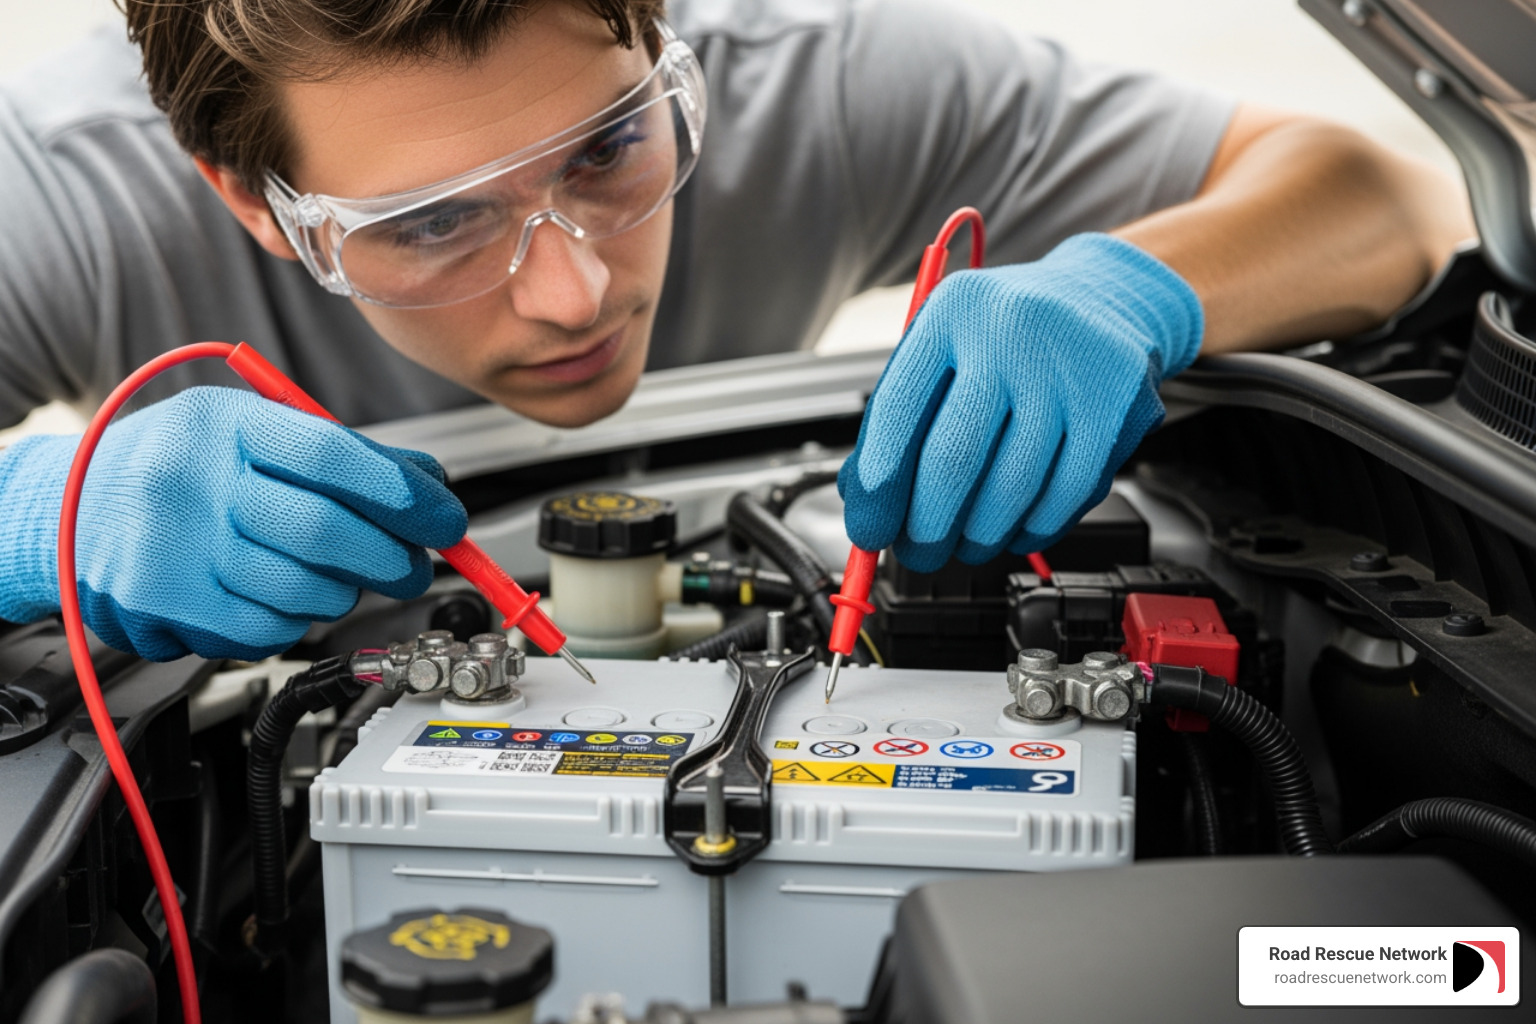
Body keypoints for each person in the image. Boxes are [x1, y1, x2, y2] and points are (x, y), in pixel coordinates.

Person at [0, 0, 1471, 661]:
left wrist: (1128, 290)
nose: (574, 294)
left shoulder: (811, 72)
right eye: (432, 221)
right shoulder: (62, 194)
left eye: (606, 155)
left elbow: (1379, 192)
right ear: (252, 204)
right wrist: (34, 517)